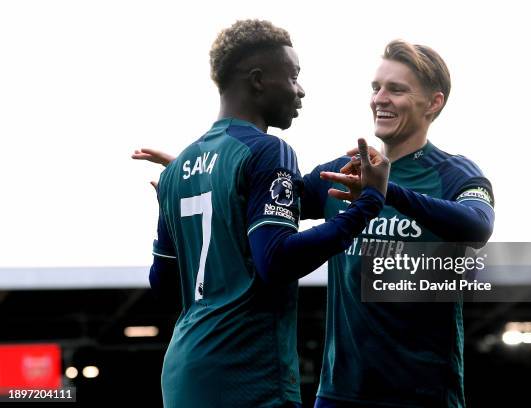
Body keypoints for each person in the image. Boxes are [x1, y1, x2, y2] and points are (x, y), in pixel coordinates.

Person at [136, 39, 494, 407]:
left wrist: (388, 193)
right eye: (376, 88)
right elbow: (259, 196)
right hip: (339, 393)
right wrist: (202, 176)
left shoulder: (454, 173)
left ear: (434, 102)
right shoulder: (344, 170)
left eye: (396, 89)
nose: (380, 98)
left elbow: (477, 225)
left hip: (423, 393)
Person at [141, 19, 390, 408]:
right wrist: (368, 204)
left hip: (184, 373)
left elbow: (164, 286)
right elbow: (275, 260)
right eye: (293, 76)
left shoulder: (176, 172)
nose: (301, 90)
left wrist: (338, 170)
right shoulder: (269, 150)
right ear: (258, 80)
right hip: (246, 375)